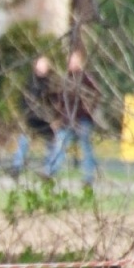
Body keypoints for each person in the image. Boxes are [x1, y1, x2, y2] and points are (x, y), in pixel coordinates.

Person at [45, 47, 99, 186]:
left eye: (74, 59)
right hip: (66, 120)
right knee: (60, 145)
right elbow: (60, 102)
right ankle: (50, 171)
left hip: (82, 120)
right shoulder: (66, 79)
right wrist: (56, 118)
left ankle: (88, 177)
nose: (70, 62)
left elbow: (95, 95)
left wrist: (87, 110)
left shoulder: (86, 79)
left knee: (85, 148)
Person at [10, 55, 55, 176]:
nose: (42, 68)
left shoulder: (49, 84)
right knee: (25, 140)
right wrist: (26, 112)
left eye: (45, 65)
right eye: (41, 65)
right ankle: (16, 166)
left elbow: (53, 102)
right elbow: (24, 99)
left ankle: (47, 169)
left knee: (51, 144)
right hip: (33, 118)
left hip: (44, 120)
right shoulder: (31, 82)